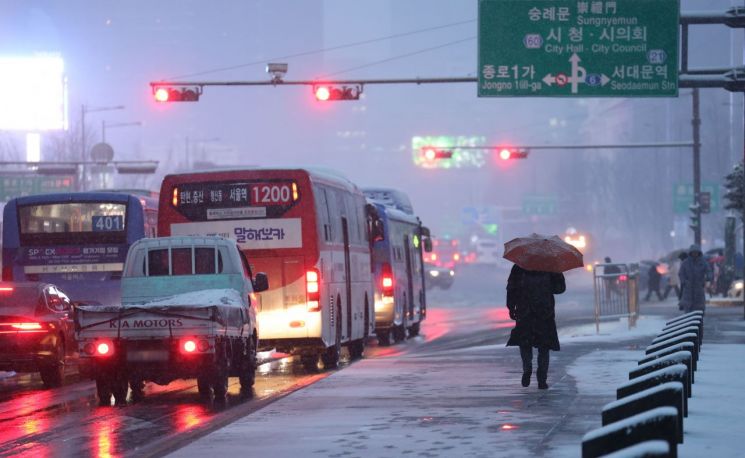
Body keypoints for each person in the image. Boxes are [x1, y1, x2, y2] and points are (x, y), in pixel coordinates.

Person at [506, 264, 566, 390]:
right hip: (544, 312)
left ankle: (527, 368)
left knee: (525, 343)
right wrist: (557, 274)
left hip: (525, 311)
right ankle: (542, 378)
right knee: (544, 346)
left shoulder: (519, 266)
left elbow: (512, 288)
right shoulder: (550, 266)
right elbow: (560, 289)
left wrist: (511, 307)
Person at [679, 244, 711, 313]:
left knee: (699, 308)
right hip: (688, 289)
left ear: (699, 253)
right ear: (690, 253)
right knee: (688, 308)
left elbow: (709, 271)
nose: (695, 254)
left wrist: (708, 278)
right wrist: (684, 282)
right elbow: (681, 273)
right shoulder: (685, 263)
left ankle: (699, 321)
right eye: (693, 252)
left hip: (699, 287)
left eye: (696, 252)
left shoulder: (703, 262)